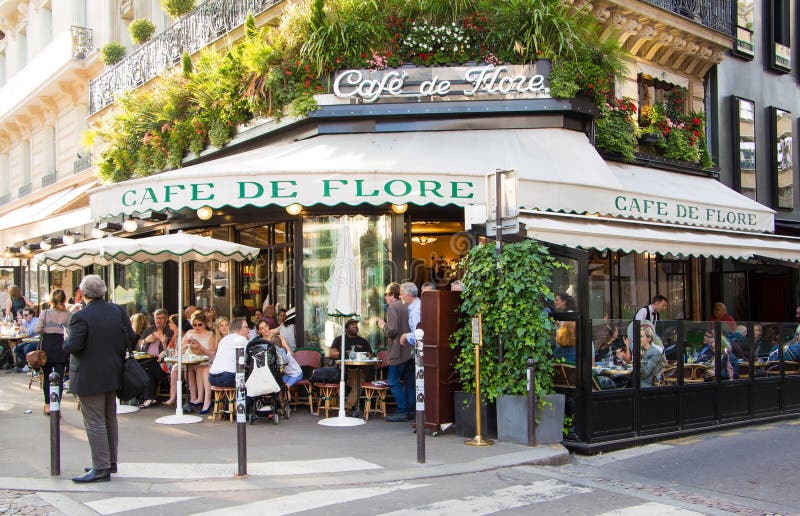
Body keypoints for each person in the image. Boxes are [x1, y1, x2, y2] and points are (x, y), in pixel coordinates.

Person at [62, 275, 134, 483]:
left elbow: (73, 346)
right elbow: (131, 337)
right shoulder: (117, 311)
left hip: (89, 375)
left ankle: (101, 467)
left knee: (94, 421)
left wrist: (66, 339)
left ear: (84, 294)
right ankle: (109, 461)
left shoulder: (81, 316)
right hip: (113, 371)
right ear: (103, 292)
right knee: (109, 418)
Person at [377, 282, 413, 422]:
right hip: (410, 350)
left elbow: (392, 331)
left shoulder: (393, 307)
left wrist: (382, 325)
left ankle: (402, 410)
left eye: (386, 294)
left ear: (393, 295)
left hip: (398, 351)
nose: (385, 297)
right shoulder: (409, 306)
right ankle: (410, 410)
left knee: (393, 381)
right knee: (409, 383)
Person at [35, 289, 71, 415]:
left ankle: (47, 405)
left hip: (47, 346)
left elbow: (37, 329)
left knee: (47, 377)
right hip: (61, 346)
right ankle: (57, 406)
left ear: (51, 299)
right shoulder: (68, 314)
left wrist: (48, 327)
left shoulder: (45, 313)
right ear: (64, 300)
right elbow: (71, 331)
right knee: (59, 378)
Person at [328, 319, 372, 413]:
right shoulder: (340, 339)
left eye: (356, 324)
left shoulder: (362, 341)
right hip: (340, 370)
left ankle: (347, 407)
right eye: (352, 324)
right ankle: (349, 407)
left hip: (356, 370)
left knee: (359, 383)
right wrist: (344, 353)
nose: (356, 326)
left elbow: (369, 354)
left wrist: (365, 355)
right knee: (358, 383)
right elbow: (331, 353)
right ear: (346, 328)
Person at [136, 309, 174, 409]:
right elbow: (138, 346)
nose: (159, 320)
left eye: (161, 318)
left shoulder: (170, 330)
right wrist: (146, 340)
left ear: (166, 319)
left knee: (145, 367)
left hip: (163, 364)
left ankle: (144, 397)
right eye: (157, 318)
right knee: (146, 368)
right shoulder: (149, 330)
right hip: (147, 361)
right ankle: (149, 398)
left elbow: (170, 351)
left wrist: (162, 340)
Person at [183, 311, 216, 414]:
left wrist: (201, 347)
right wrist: (187, 345)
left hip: (206, 360)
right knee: (186, 369)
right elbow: (180, 349)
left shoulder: (210, 335)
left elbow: (212, 353)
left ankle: (201, 398)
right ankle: (194, 397)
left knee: (199, 369)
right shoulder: (189, 333)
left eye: (199, 324)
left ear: (205, 324)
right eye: (194, 325)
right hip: (192, 360)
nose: (197, 327)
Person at [208, 317, 249, 388]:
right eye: (246, 327)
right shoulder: (242, 339)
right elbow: (246, 360)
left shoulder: (224, 339)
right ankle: (242, 399)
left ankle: (230, 399)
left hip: (211, 377)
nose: (248, 330)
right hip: (226, 377)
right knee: (250, 381)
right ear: (239, 329)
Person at [13, 308, 40, 372]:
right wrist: (17, 325)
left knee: (26, 348)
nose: (24, 317)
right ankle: (29, 365)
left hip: (37, 340)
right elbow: (19, 333)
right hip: (29, 340)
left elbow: (29, 333)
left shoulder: (36, 321)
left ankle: (35, 368)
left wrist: (21, 325)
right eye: (23, 315)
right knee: (16, 349)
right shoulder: (24, 321)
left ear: (31, 315)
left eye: (26, 315)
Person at [399, 282, 421, 349]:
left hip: (421, 350)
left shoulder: (415, 311)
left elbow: (418, 336)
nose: (400, 297)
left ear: (408, 295)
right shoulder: (419, 305)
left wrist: (405, 336)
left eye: (401, 294)